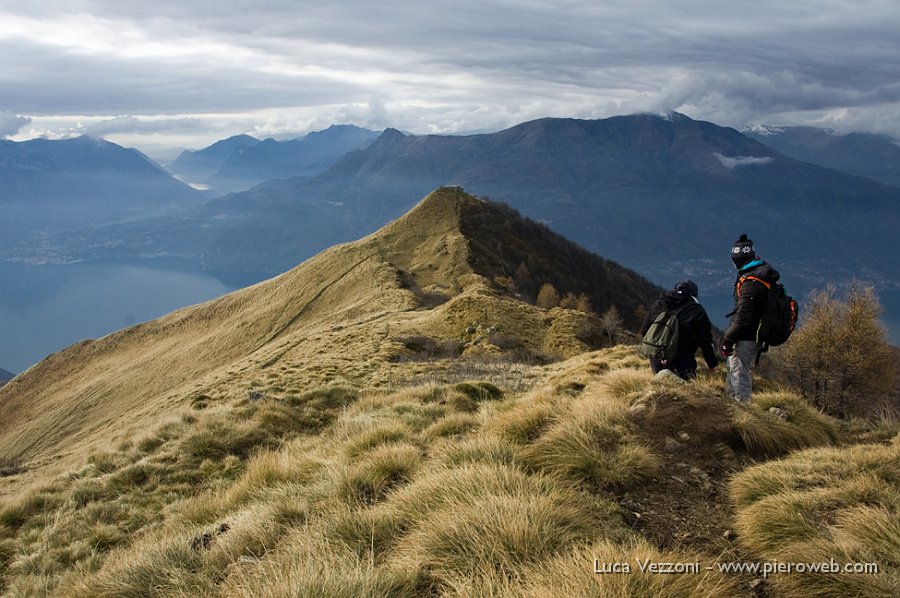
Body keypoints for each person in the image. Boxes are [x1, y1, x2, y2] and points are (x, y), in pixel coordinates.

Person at [722, 234, 780, 402]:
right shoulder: (758, 276)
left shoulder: (752, 282)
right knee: (735, 370)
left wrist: (727, 339)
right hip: (752, 332)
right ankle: (732, 407)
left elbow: (743, 316)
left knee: (739, 372)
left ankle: (742, 411)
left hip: (747, 335)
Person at [639, 280, 718, 380]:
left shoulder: (659, 304)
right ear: (694, 294)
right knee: (685, 391)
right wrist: (712, 364)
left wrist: (659, 351)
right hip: (682, 359)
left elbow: (644, 330)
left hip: (657, 357)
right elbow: (705, 340)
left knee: (660, 386)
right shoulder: (696, 310)